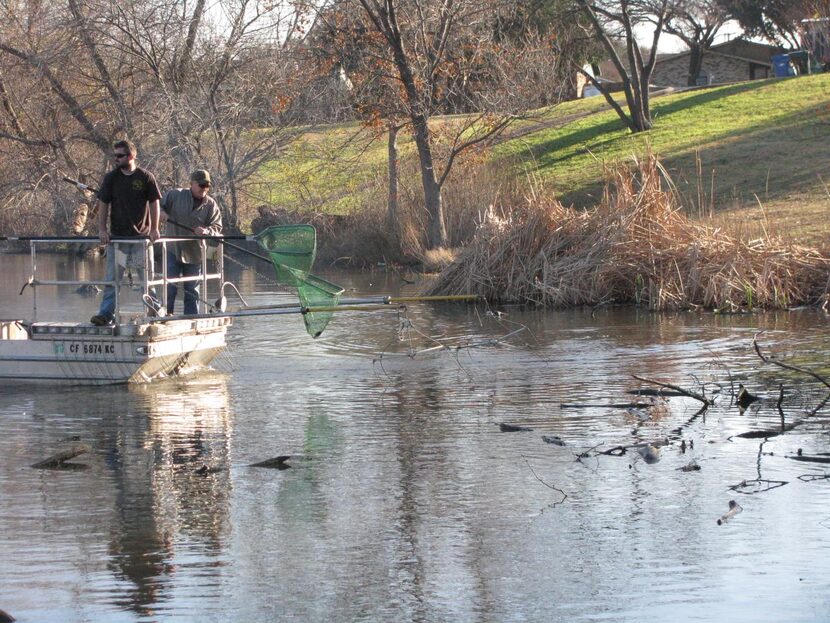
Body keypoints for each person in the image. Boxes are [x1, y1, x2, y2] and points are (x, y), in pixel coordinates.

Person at [90, 139, 162, 326]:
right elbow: (103, 203)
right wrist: (102, 229)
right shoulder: (111, 178)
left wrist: (154, 228)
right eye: (115, 156)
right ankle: (106, 314)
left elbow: (155, 202)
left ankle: (153, 311)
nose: (116, 159)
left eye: (120, 156)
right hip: (118, 240)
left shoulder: (146, 177)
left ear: (131, 156)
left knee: (147, 279)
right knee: (112, 280)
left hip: (141, 240)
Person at [160, 169, 223, 316]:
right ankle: (165, 315)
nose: (204, 189)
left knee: (192, 289)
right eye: (201, 185)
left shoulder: (211, 205)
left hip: (195, 254)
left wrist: (207, 231)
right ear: (192, 184)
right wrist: (161, 212)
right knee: (170, 285)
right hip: (172, 249)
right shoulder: (175, 195)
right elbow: (157, 205)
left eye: (207, 186)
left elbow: (217, 227)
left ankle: (191, 317)